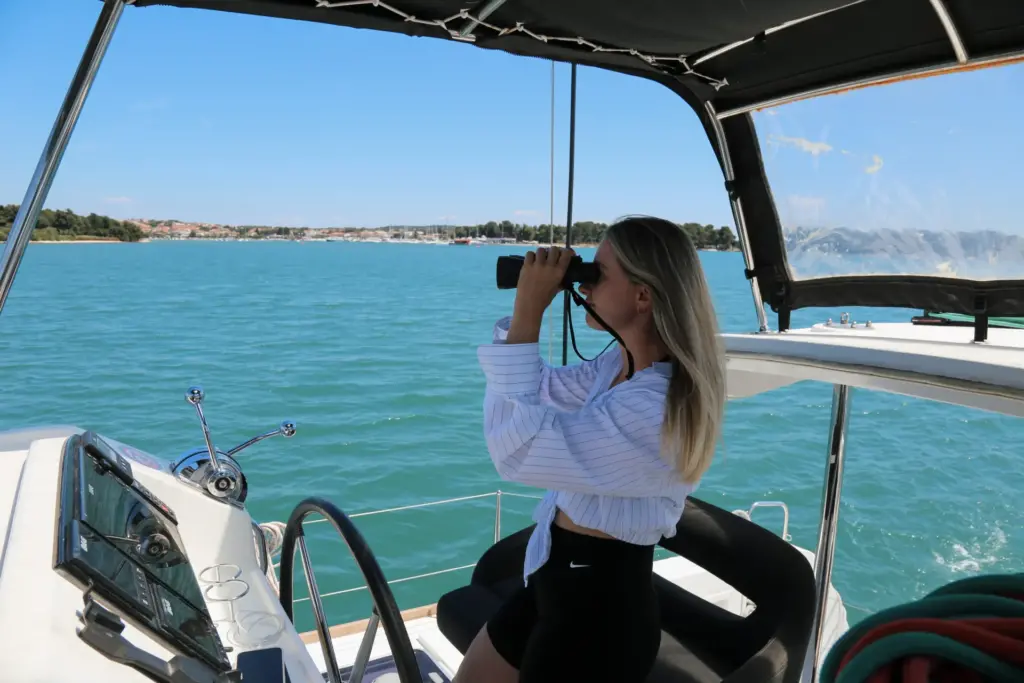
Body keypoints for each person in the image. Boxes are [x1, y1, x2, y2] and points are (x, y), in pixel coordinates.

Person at [453, 216, 727, 683]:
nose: (586, 283)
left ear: (643, 296)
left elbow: (516, 450)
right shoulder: (617, 365)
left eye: (597, 272)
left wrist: (529, 311)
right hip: (555, 575)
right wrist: (526, 310)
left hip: (598, 613)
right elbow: (537, 388)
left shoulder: (657, 407)